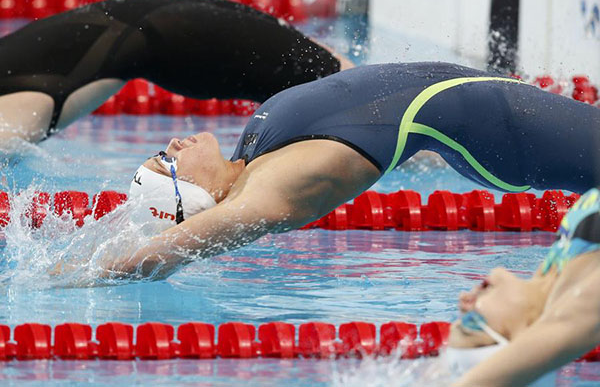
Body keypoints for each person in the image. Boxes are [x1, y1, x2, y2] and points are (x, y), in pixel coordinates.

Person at [105, 62, 600, 281]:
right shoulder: (270, 189)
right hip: (504, 131)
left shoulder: (255, 154)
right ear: (197, 194)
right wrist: (77, 277)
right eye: (168, 162)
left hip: (495, 109)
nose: (171, 143)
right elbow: (173, 248)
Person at [0, 0, 347, 145]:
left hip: (180, 38)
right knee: (345, 84)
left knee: (347, 100)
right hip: (185, 18)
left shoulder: (12, 113)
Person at [445, 187, 600, 386]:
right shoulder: (586, 306)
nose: (464, 300)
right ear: (525, 338)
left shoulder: (552, 275)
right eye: (472, 322)